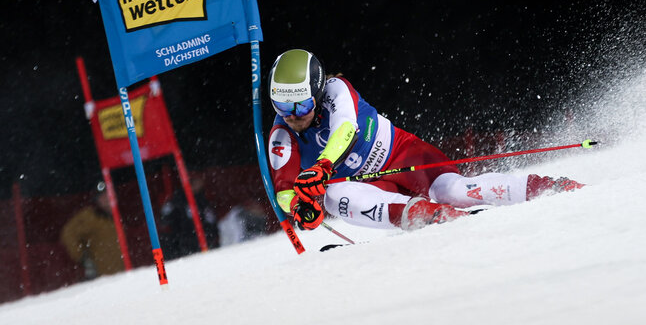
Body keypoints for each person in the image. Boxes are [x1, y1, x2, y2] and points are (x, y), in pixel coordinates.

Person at [267, 48, 584, 232]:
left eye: (302, 104)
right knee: (335, 195)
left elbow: (346, 129)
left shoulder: (336, 89)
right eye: (282, 107)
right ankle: (425, 216)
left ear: (319, 91)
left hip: (402, 156)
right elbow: (283, 188)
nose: (293, 115)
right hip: (368, 185)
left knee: (455, 191)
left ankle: (547, 187)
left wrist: (323, 164)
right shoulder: (282, 134)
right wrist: (299, 208)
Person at [60, 181, 124, 280]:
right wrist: (83, 258)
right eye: (103, 196)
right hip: (103, 277)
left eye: (109, 194)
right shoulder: (89, 216)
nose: (107, 198)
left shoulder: (118, 216)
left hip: (122, 274)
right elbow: (68, 234)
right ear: (97, 200)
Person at [158, 175, 219, 259]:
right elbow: (163, 220)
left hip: (198, 241)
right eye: (193, 182)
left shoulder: (203, 202)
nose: (197, 185)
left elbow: (212, 224)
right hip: (181, 241)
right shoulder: (175, 200)